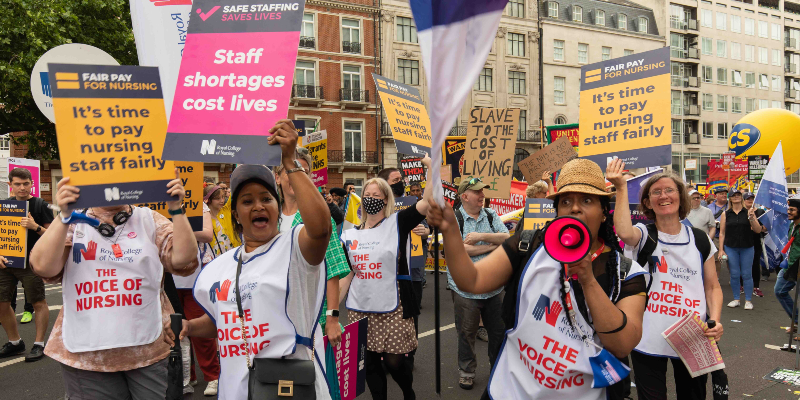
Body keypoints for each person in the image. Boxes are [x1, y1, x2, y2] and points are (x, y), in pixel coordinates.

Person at [426, 158, 648, 399]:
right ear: (558, 211)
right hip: (512, 390)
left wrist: (587, 278)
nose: (574, 208)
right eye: (565, 201)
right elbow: (472, 281)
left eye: (586, 200)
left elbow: (623, 344)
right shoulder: (529, 245)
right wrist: (449, 230)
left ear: (604, 213)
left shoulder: (624, 272)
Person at [173, 120, 333, 400]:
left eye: (266, 199)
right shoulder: (219, 268)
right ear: (236, 214)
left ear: (276, 205)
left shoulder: (295, 246)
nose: (258, 206)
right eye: (247, 201)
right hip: (237, 388)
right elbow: (223, 320)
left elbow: (321, 228)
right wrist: (189, 327)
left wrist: (290, 160)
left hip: (291, 387)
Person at [29, 168, 199, 399]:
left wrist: (177, 210)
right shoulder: (73, 222)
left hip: (149, 351)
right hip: (86, 357)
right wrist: (63, 217)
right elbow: (42, 266)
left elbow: (184, 258)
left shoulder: (150, 219)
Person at [608, 159, 723, 400]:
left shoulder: (700, 239)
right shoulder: (643, 234)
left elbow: (712, 286)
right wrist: (620, 187)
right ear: (648, 202)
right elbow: (623, 232)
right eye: (656, 192)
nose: (664, 196)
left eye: (669, 190)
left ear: (680, 197)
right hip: (646, 337)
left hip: (693, 336)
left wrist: (715, 320)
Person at [340, 156, 434, 400]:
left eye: (377, 194)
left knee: (394, 362)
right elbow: (346, 275)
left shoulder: (398, 223)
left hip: (393, 304)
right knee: (369, 363)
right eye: (367, 194)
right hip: (361, 308)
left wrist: (431, 168)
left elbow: (427, 202)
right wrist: (330, 311)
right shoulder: (349, 235)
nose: (371, 198)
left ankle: (408, 392)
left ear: (385, 199)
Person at [273, 146, 351, 381]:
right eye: (290, 170)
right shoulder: (269, 215)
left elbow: (333, 270)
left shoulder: (318, 216)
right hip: (275, 314)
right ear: (277, 177)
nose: (298, 177)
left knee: (313, 381)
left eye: (304, 172)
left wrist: (333, 318)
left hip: (310, 315)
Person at [449, 177, 509, 390]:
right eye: (477, 192)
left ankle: (499, 369)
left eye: (483, 191)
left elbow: (507, 238)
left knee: (498, 333)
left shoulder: (491, 215)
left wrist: (480, 237)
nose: (483, 195)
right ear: (465, 196)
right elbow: (458, 250)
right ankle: (467, 371)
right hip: (465, 289)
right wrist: (491, 246)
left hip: (494, 286)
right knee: (466, 333)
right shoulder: (455, 218)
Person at [0, 168, 53, 361]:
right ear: (10, 185)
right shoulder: (5, 206)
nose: (22, 187)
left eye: (25, 183)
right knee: (2, 303)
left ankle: (39, 344)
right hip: (7, 263)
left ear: (32, 183)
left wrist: (34, 227)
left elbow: (53, 237)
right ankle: (15, 342)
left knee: (38, 302)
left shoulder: (40, 205)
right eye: (17, 184)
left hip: (31, 262)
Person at [173, 188, 220, 396]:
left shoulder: (198, 205)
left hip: (194, 280)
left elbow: (208, 235)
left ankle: (212, 376)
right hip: (168, 280)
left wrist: (179, 223)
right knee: (176, 333)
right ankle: (186, 377)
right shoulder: (156, 205)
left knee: (201, 332)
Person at [719, 189, 762, 310]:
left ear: (741, 198)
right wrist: (721, 250)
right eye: (734, 195)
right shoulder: (725, 214)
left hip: (747, 247)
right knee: (734, 274)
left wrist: (752, 218)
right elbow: (722, 233)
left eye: (738, 195)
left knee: (747, 274)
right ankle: (736, 299)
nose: (736, 197)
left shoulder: (748, 212)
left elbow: (758, 230)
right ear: (730, 198)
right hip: (731, 247)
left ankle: (748, 300)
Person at [775, 196, 800, 327]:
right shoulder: (792, 225)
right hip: (789, 265)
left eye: (792, 210)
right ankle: (797, 321)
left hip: (799, 266)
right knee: (779, 291)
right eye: (788, 209)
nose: (789, 212)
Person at [743, 192, 766, 297]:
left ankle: (756, 286)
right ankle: (742, 285)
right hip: (743, 240)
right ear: (743, 200)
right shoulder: (742, 211)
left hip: (756, 240)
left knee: (755, 263)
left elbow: (764, 227)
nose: (750, 200)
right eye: (747, 198)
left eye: (752, 198)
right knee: (742, 263)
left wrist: (758, 227)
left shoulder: (760, 211)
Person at [707, 187, 729, 271]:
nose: (724, 195)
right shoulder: (709, 207)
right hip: (716, 236)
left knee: (730, 259)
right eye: (721, 194)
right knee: (716, 259)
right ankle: (716, 279)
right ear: (716, 196)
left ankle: (733, 279)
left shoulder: (730, 205)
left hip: (729, 235)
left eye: (725, 193)